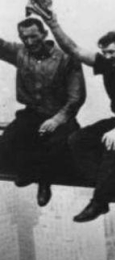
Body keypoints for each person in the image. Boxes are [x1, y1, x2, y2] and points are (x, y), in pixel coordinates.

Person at [30, 0, 115, 222]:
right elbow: (73, 49)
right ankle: (112, 182)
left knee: (112, 147)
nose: (107, 57)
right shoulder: (106, 65)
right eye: (105, 53)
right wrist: (52, 23)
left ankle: (100, 201)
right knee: (78, 139)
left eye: (112, 52)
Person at [0, 16, 85, 207]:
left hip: (61, 115)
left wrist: (57, 119)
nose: (29, 42)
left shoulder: (66, 57)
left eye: (34, 37)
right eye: (25, 38)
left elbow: (76, 98)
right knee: (8, 140)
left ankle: (44, 182)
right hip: (32, 113)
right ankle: (27, 170)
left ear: (44, 35)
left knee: (53, 145)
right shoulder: (20, 53)